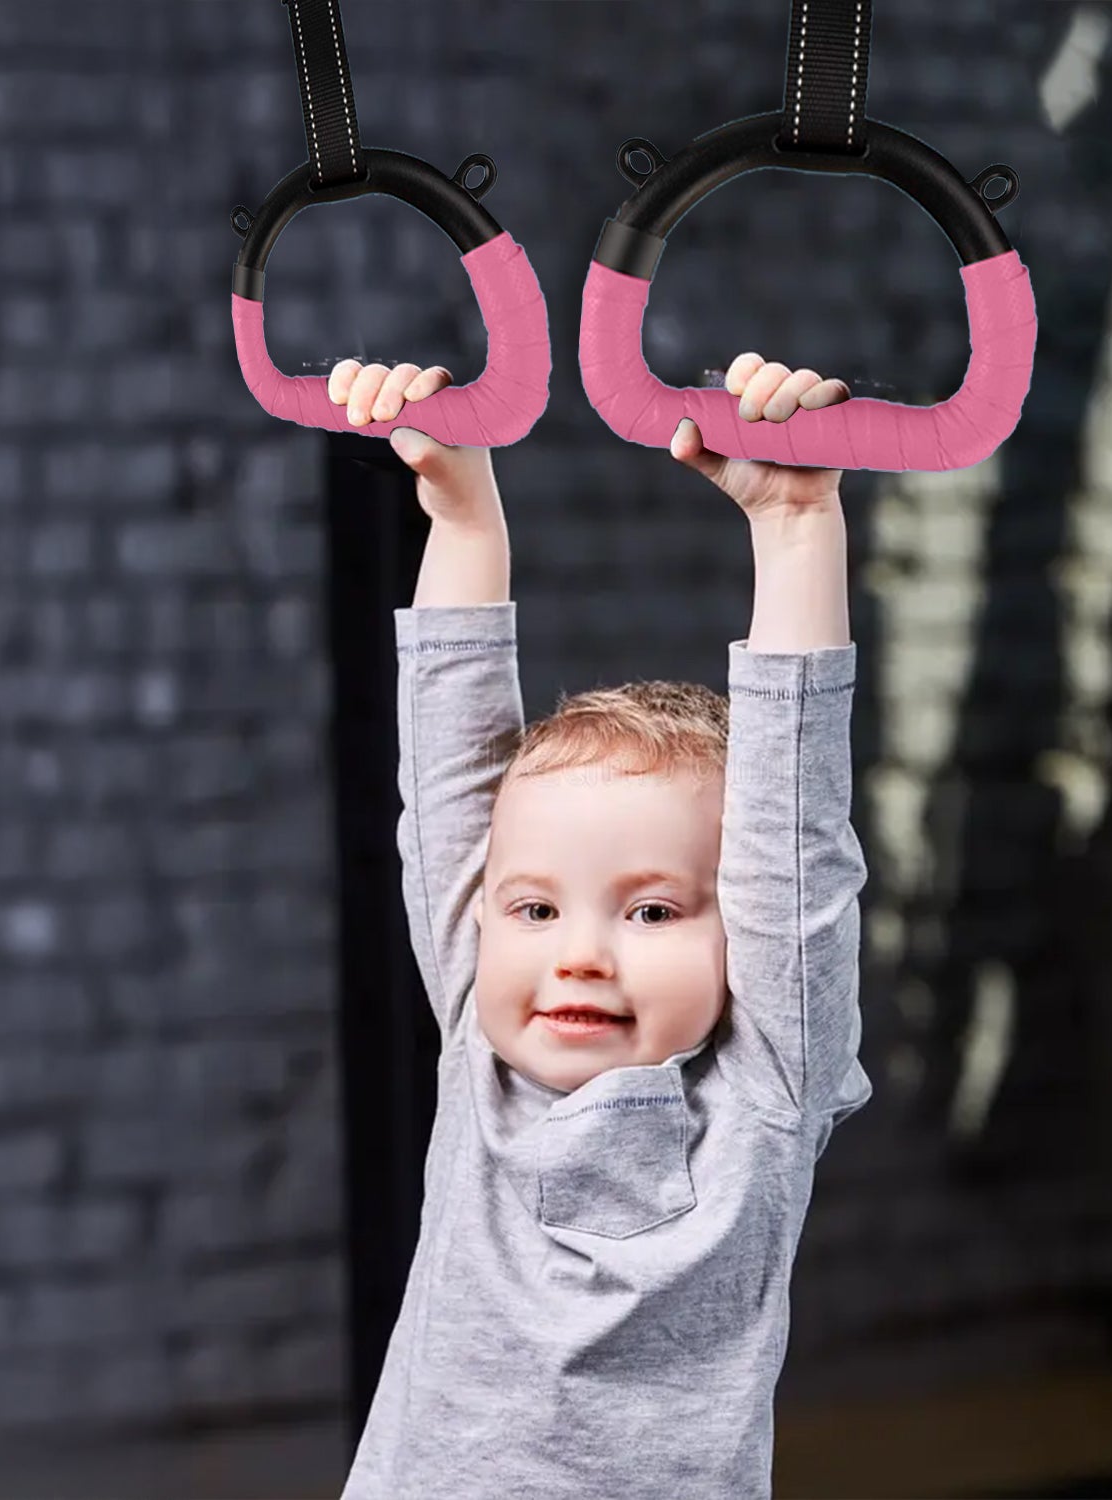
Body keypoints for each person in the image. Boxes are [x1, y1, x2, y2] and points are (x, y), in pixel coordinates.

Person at [330, 352, 873, 1500]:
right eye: (534, 907)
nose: (580, 950)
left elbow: (793, 839)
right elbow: (451, 755)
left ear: (746, 940)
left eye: (652, 909)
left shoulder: (765, 1097)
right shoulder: (482, 1037)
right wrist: (462, 510)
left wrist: (796, 524)